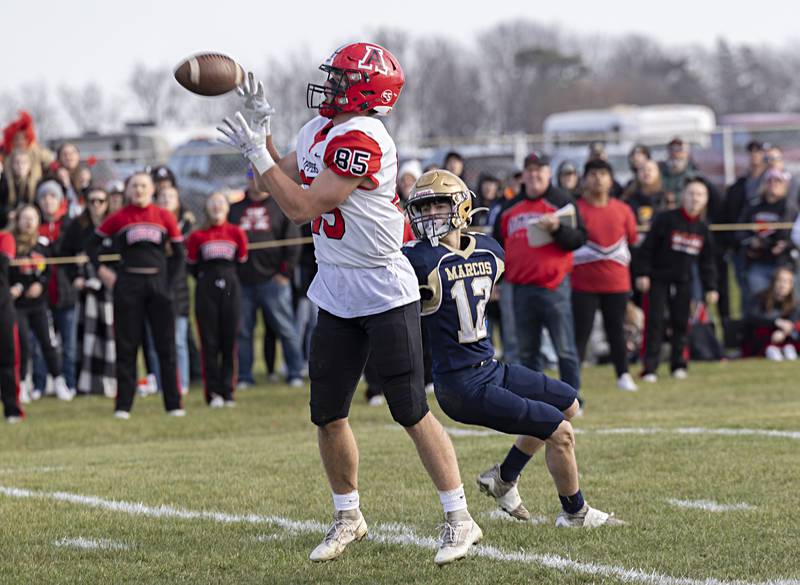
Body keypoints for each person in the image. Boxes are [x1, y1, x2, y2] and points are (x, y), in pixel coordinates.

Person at [217, 44, 480, 565]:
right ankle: (348, 515)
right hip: (336, 286)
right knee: (328, 412)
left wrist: (257, 154)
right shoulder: (319, 128)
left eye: (342, 78)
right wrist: (261, 130)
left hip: (382, 285)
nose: (331, 85)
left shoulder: (363, 137)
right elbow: (273, 180)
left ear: (365, 89)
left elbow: (299, 206)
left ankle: (460, 519)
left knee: (409, 409)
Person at [403, 169, 623, 527]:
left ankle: (503, 477)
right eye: (423, 208)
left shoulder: (489, 251)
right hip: (460, 384)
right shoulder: (414, 259)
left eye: (438, 206)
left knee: (568, 404)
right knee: (560, 433)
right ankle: (575, 512)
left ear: (460, 207)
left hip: (491, 367)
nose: (429, 216)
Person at [87, 172, 185, 419]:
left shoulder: (164, 216)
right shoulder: (119, 217)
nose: (139, 190)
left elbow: (180, 254)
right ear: (128, 191)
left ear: (152, 189)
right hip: (128, 284)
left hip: (158, 285)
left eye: (143, 185)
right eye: (134, 186)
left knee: (166, 347)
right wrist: (103, 272)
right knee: (127, 347)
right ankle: (123, 406)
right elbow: (92, 245)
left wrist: (168, 283)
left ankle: (173, 404)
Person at [496, 151, 586, 399]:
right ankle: (536, 398)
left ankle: (571, 397)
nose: (534, 174)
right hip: (520, 287)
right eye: (530, 170)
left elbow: (579, 239)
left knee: (564, 347)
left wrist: (557, 229)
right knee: (527, 350)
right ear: (523, 175)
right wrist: (497, 280)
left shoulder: (562, 201)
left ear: (548, 173)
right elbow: (497, 244)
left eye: (540, 170)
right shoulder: (509, 206)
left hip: (554, 286)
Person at [636, 179, 718, 382]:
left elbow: (707, 261)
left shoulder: (702, 228)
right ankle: (650, 368)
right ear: (683, 196)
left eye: (699, 195)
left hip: (684, 281)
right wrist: (643, 274)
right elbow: (647, 249)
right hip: (658, 279)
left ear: (705, 200)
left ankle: (679, 364)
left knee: (681, 323)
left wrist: (711, 287)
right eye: (691, 194)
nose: (695, 199)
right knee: (654, 323)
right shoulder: (666, 219)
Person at [228, 171, 304, 388]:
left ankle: (295, 372)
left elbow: (293, 241)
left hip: (274, 280)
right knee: (243, 331)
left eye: (258, 176)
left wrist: (285, 273)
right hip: (243, 281)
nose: (254, 181)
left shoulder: (279, 206)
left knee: (285, 328)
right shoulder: (235, 209)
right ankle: (244, 376)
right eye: (250, 176)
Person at [571, 160, 639, 391]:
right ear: (584, 179)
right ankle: (574, 382)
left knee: (616, 330)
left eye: (603, 174)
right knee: (581, 334)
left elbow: (632, 238)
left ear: (611, 180)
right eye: (592, 174)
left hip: (616, 283)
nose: (598, 179)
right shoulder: (575, 209)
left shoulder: (623, 209)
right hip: (582, 284)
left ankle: (623, 375)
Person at [186, 192, 248, 407]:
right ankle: (213, 393)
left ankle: (228, 391)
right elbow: (192, 266)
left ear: (227, 208)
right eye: (212, 203)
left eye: (220, 203)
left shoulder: (236, 232)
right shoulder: (197, 236)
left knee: (229, 341)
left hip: (231, 290)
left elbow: (241, 260)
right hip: (206, 292)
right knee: (209, 343)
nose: (216, 207)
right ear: (206, 208)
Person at [8, 205, 73, 402]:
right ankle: (25, 384)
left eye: (32, 218)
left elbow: (47, 271)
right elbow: (7, 272)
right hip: (18, 305)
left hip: (39, 304)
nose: (28, 222)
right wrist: (17, 286)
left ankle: (59, 381)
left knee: (48, 343)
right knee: (24, 345)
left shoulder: (42, 244)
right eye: (24, 218)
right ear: (18, 220)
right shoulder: (10, 243)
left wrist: (40, 284)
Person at [60, 187, 116, 396]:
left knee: (109, 336)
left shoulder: (113, 224)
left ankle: (110, 381)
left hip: (110, 287)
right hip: (86, 290)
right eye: (92, 201)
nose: (96, 205)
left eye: (101, 201)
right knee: (85, 337)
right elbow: (65, 254)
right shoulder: (78, 226)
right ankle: (85, 383)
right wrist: (75, 277)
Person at [33, 181, 78, 396]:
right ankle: (39, 385)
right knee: (41, 343)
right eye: (44, 197)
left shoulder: (70, 224)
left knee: (68, 344)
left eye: (52, 196)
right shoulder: (34, 225)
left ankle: (69, 383)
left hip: (65, 292)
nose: (48, 201)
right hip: (41, 294)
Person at [736, 169, 797, 301]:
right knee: (759, 301)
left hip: (782, 263)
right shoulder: (753, 205)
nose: (773, 184)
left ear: (785, 185)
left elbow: (796, 236)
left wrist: (785, 245)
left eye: (778, 181)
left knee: (784, 303)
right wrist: (751, 242)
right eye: (769, 180)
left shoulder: (791, 209)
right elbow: (739, 231)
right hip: (758, 262)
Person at [743, 267, 799, 360]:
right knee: (760, 330)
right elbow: (753, 317)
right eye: (780, 281)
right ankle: (770, 349)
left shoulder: (793, 304)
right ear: (773, 282)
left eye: (787, 282)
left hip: (783, 337)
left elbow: (793, 321)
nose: (783, 285)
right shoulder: (759, 299)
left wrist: (783, 332)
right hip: (764, 338)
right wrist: (776, 322)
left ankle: (788, 348)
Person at [0, 227, 23, 422]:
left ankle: (12, 409)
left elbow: (3, 264)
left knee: (7, 360)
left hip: (2, 306)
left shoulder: (5, 237)